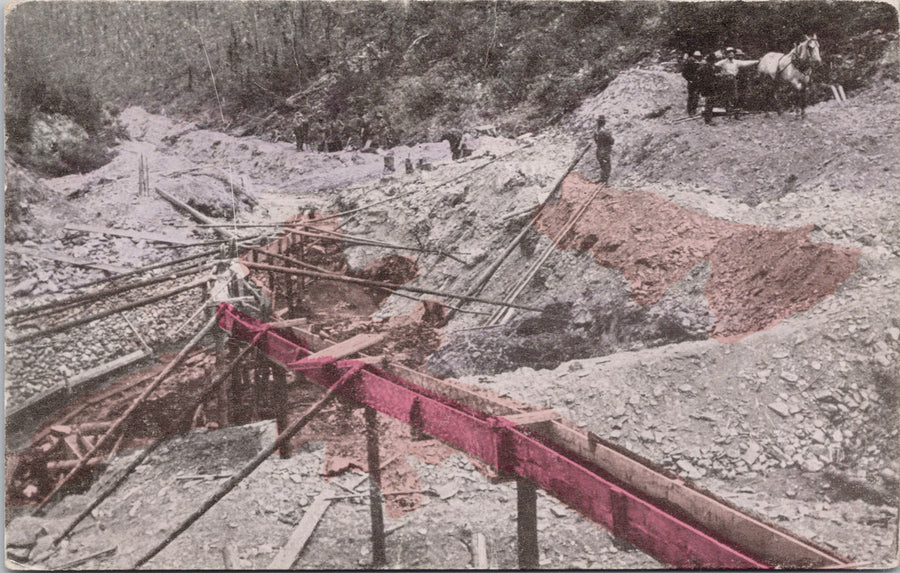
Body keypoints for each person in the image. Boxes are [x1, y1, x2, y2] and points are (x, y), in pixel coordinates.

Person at [715, 47, 759, 118]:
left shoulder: (736, 62)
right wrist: (720, 73)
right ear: (726, 54)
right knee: (726, 96)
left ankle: (735, 113)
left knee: (735, 97)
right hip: (725, 80)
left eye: (732, 52)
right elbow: (714, 65)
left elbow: (746, 63)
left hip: (733, 80)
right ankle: (728, 113)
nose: (731, 54)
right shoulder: (723, 62)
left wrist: (757, 61)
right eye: (729, 52)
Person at [681, 51, 704, 115]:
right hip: (692, 82)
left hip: (698, 82)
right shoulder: (689, 63)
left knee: (696, 96)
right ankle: (690, 110)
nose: (697, 58)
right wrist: (689, 79)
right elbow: (684, 73)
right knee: (691, 96)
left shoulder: (700, 63)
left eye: (698, 57)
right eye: (696, 57)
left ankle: (693, 110)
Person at [593, 115, 613, 184]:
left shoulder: (596, 132)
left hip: (598, 151)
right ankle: (605, 181)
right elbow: (612, 141)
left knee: (602, 165)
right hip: (605, 151)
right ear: (604, 122)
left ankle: (602, 179)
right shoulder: (605, 132)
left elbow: (595, 141)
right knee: (607, 166)